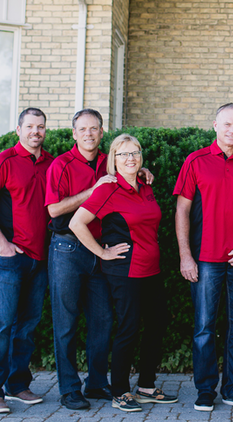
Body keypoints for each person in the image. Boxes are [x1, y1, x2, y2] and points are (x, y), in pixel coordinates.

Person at [45, 109, 153, 410]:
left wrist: (138, 174)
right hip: (69, 249)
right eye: (83, 129)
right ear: (74, 133)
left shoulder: (113, 159)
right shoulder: (61, 165)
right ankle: (69, 388)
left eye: (95, 128)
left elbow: (128, 177)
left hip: (102, 251)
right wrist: (93, 190)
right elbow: (54, 210)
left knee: (103, 320)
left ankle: (96, 382)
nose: (89, 134)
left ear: (102, 132)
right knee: (66, 322)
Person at [70, 134, 176, 413]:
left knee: (157, 324)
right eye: (123, 154)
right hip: (125, 271)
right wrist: (102, 252)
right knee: (129, 328)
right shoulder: (108, 189)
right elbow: (76, 222)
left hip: (152, 269)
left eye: (135, 153)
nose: (130, 158)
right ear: (113, 159)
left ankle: (146, 387)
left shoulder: (145, 185)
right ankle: (120, 391)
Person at [174, 103, 233, 412]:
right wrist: (186, 256)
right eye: (227, 124)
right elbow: (182, 210)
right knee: (204, 327)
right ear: (215, 125)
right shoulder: (196, 161)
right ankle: (204, 390)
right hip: (205, 258)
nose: (232, 130)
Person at [0, 107, 53, 414]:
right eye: (31, 126)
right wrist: (2, 244)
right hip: (10, 259)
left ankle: (17, 384)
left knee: (27, 326)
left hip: (40, 260)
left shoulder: (50, 163)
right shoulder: (2, 162)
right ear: (18, 129)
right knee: (0, 325)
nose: (36, 131)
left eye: (41, 127)